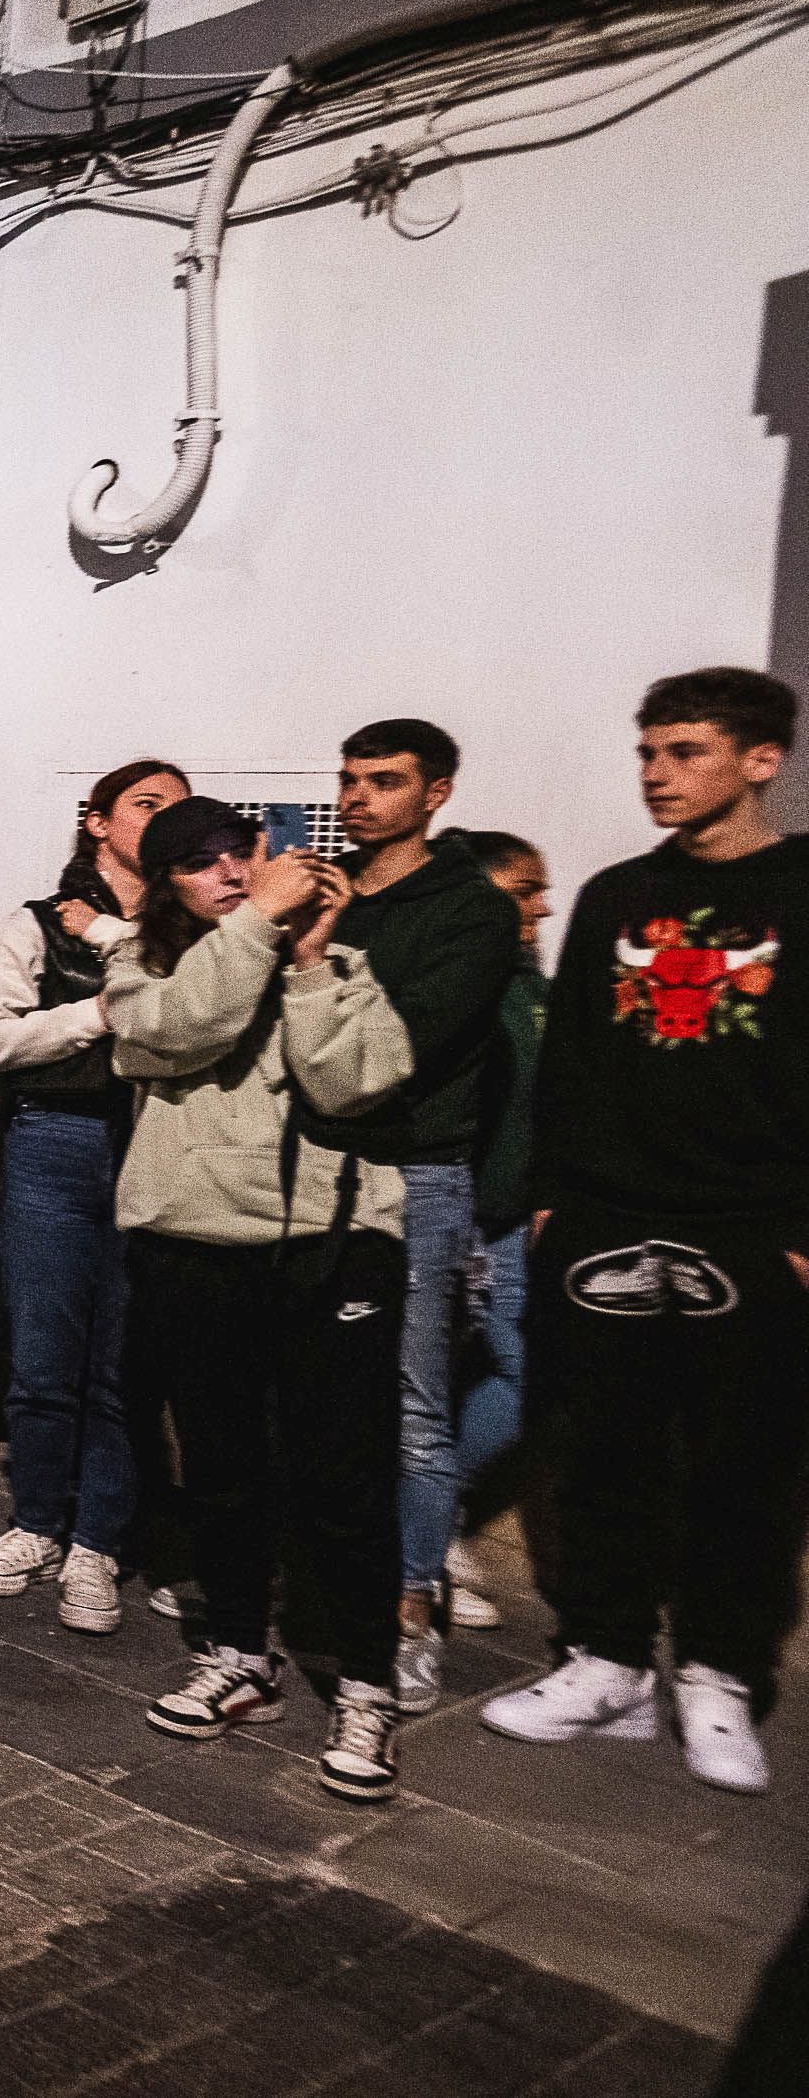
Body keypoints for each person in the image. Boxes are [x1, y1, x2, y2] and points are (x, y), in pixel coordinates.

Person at [484, 667, 809, 1797]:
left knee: (745, 1468)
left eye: (684, 753)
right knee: (602, 1451)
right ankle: (609, 1659)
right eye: (647, 754)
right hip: (607, 1218)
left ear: (760, 758)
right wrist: (552, 1201)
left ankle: (718, 1674)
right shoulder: (620, 895)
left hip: (756, 1229)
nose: (655, 775)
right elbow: (573, 1061)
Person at [102, 797, 413, 1806]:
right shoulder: (138, 967)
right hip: (197, 1247)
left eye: (246, 855)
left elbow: (356, 1086)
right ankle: (239, 1650)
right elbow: (181, 1028)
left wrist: (314, 959)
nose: (237, 874)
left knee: (343, 1475)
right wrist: (252, 932)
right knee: (223, 1466)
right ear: (166, 884)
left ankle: (366, 1682)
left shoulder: (335, 964)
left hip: (331, 1248)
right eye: (204, 864)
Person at [314, 719, 523, 1715]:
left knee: (416, 1405)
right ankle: (320, 1591)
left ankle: (408, 1611)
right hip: (311, 1168)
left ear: (436, 792)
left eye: (383, 781)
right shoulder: (327, 893)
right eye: (350, 778)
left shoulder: (471, 910)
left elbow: (409, 1037)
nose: (358, 797)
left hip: (418, 1173)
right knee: (312, 1389)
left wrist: (320, 991)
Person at [0, 758, 189, 1633]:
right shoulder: (34, 924)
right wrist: (93, 1017)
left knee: (123, 1369)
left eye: (178, 807)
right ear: (96, 820)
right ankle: (35, 1523)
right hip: (51, 1141)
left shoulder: (189, 931)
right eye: (147, 803)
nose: (166, 819)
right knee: (44, 1358)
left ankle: (99, 1541)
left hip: (153, 1149)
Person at [436, 826, 549, 1633]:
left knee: (520, 1378)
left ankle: (433, 1516)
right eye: (520, 890)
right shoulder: (461, 981)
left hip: (511, 1223)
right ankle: (421, 1541)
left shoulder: (534, 985)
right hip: (447, 1211)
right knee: (421, 1381)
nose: (540, 907)